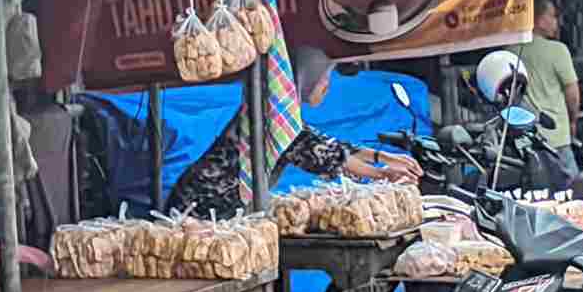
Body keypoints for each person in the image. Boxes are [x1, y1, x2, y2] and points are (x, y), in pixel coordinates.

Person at [167, 46, 421, 215]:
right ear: (306, 77)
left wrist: (384, 158)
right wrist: (383, 175)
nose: (327, 87)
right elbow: (325, 154)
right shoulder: (273, 119)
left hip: (219, 213)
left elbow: (324, 145)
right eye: (324, 77)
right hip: (197, 214)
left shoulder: (280, 116)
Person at [516, 0, 581, 182]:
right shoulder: (557, 50)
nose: (556, 22)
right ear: (538, 19)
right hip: (556, 137)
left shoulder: (511, 50)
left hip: (525, 140)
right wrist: (573, 120)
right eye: (552, 16)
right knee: (573, 191)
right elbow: (572, 93)